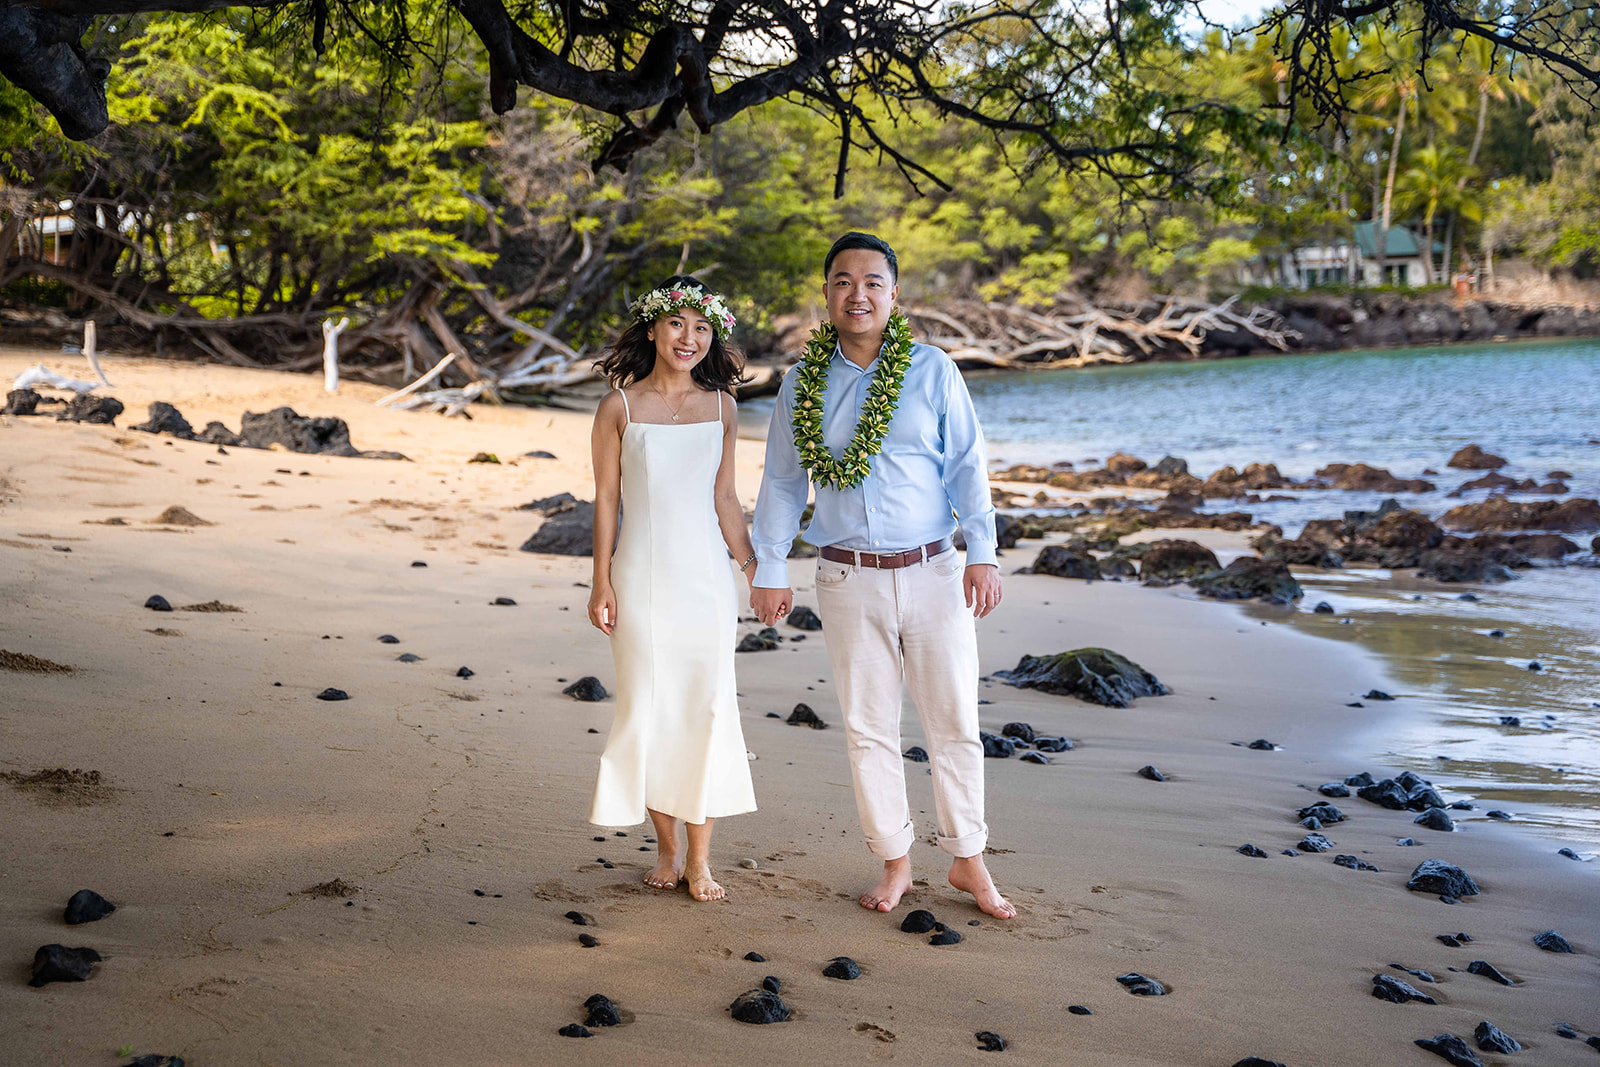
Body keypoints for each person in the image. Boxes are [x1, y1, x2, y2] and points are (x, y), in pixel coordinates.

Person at [750, 232, 1015, 920]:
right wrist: (770, 566)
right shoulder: (801, 384)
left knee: (953, 718)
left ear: (894, 295)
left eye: (872, 281)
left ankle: (967, 859)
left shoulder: (932, 370)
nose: (857, 293)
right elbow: (782, 480)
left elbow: (967, 465)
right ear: (828, 294)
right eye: (842, 280)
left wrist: (983, 551)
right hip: (846, 577)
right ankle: (895, 861)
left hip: (934, 569)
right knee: (869, 727)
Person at [586, 275, 758, 902]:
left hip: (708, 583)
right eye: (679, 324)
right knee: (650, 708)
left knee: (708, 709)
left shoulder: (722, 407)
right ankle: (665, 848)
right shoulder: (619, 408)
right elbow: (607, 499)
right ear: (654, 328)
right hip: (641, 578)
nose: (690, 338)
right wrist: (600, 577)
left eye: (702, 328)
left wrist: (753, 568)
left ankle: (702, 860)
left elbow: (725, 499)